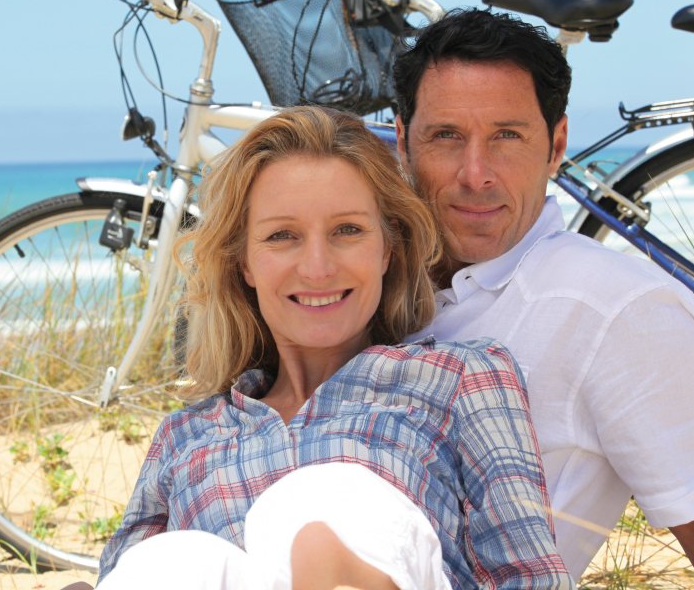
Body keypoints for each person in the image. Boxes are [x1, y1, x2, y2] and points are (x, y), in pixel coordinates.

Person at [86, 106, 572, 589]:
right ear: (245, 263)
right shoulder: (184, 436)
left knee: (329, 500)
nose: (317, 268)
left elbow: (533, 579)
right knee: (177, 559)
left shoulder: (460, 377)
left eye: (347, 230)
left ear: (387, 248)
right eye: (282, 236)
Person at [392, 8, 694, 580]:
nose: (475, 174)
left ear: (556, 146)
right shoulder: (359, 282)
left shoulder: (616, 310)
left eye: (507, 136)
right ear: (403, 140)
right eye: (446, 136)